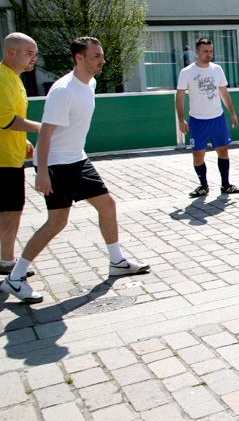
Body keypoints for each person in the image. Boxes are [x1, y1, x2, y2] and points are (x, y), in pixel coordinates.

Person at [1, 37, 149, 304]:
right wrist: (42, 172)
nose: (102, 60)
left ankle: (117, 261)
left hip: (78, 160)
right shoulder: (63, 90)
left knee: (107, 206)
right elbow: (45, 133)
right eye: (95, 56)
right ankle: (15, 277)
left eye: (101, 55)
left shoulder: (89, 83)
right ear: (79, 58)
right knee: (57, 222)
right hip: (57, 164)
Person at [175, 38, 239, 198]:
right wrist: (180, 119)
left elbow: (224, 93)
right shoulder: (186, 72)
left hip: (217, 118)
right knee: (198, 155)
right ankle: (203, 186)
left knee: (223, 151)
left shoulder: (217, 69)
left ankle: (226, 185)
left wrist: (232, 113)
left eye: (211, 51)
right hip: (197, 121)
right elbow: (179, 97)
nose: (209, 54)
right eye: (205, 51)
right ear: (197, 52)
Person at [0, 33, 42, 279]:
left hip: (11, 157)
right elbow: (5, 119)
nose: (34, 58)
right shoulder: (3, 79)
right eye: (29, 53)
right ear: (11, 53)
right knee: (10, 212)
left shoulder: (13, 78)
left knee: (13, 211)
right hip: (3, 160)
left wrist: (23, 138)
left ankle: (6, 260)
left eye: (34, 53)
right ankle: (5, 260)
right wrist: (42, 127)